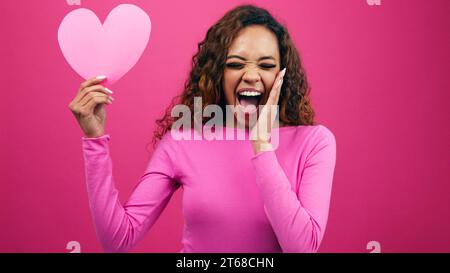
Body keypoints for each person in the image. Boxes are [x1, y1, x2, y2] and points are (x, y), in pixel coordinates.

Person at [68, 5, 336, 253]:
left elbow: (302, 247)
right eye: (235, 64)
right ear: (218, 72)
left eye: (266, 65)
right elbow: (117, 240)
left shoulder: (314, 142)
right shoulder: (183, 140)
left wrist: (262, 145)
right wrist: (94, 139)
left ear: (282, 75)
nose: (251, 75)